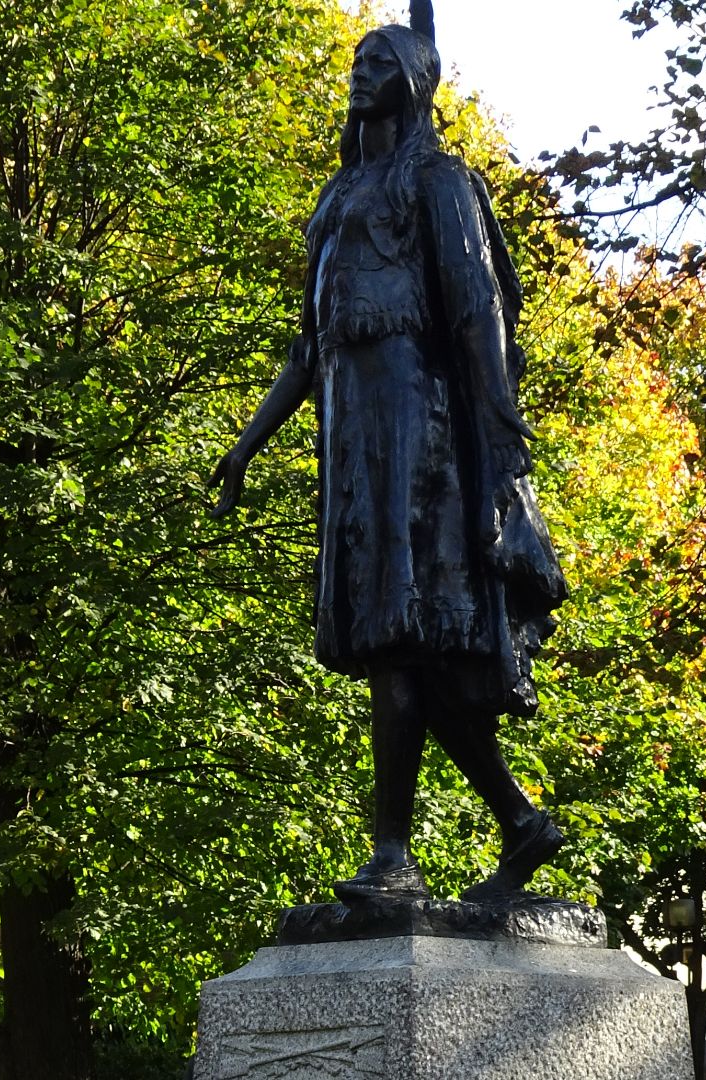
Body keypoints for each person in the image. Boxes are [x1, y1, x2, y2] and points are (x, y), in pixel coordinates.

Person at [209, 0, 569, 905]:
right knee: (392, 647)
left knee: (406, 642)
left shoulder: (439, 182)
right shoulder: (336, 200)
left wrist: (500, 434)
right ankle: (509, 826)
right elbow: (308, 345)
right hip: (355, 440)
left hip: (424, 438)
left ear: (410, 80)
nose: (357, 71)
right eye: (357, 60)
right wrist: (248, 444)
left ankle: (397, 856)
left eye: (376, 60)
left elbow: (477, 311)